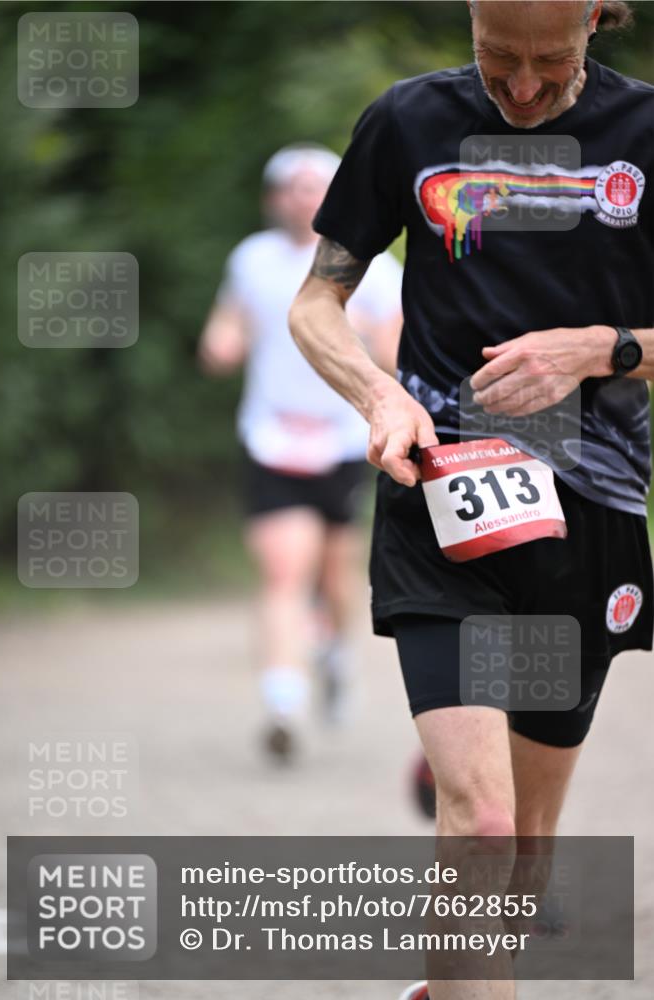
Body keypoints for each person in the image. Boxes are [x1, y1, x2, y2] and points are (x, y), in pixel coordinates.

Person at [288, 2, 653, 997]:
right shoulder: (406, 121)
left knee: (521, 869)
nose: (524, 86)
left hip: (592, 516)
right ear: (470, 21)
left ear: (594, 22)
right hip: (443, 497)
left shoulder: (646, 131)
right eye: (499, 60)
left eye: (550, 60)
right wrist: (379, 393)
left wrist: (604, 348)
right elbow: (315, 299)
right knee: (482, 827)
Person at [198, 144, 403, 761]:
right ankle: (283, 704)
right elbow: (229, 323)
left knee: (332, 577)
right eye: (292, 187)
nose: (303, 197)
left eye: (316, 187)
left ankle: (337, 659)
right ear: (273, 199)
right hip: (272, 438)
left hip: (343, 441)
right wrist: (221, 343)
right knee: (283, 573)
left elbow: (396, 358)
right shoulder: (252, 259)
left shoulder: (369, 265)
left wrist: (358, 331)